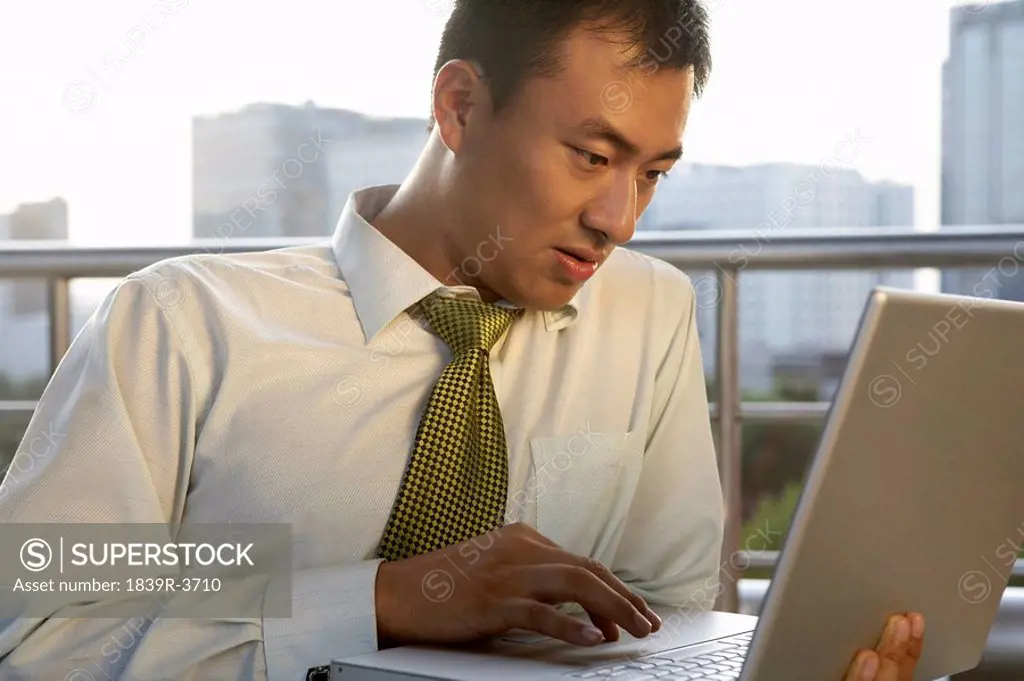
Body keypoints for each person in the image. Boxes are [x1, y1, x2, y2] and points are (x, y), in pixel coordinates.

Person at [0, 1, 925, 679]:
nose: (621, 219)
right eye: (593, 156)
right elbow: (40, 631)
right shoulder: (183, 324)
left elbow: (665, 621)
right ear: (458, 107)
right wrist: (377, 599)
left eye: (654, 173)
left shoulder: (648, 313)